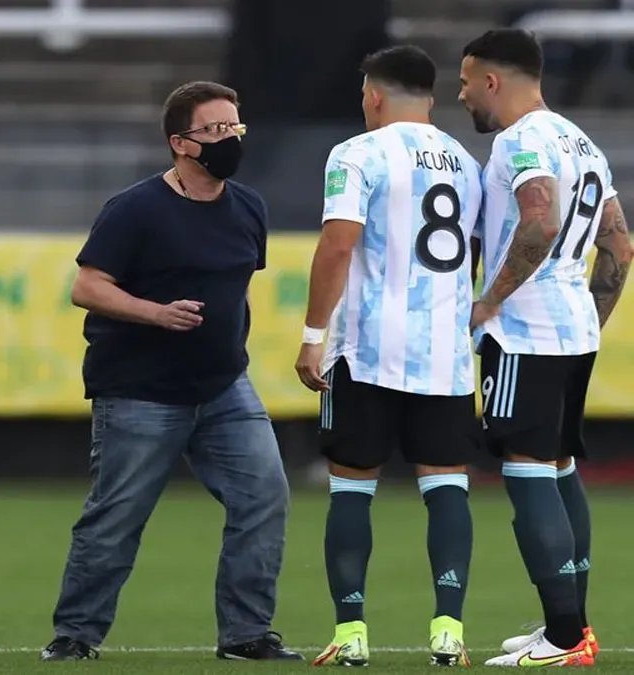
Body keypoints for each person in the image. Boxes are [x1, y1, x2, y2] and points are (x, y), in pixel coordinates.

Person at [39, 81, 301, 663]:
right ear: (180, 143)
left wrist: (229, 347)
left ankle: (246, 634)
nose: (230, 139)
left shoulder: (249, 206)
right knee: (117, 516)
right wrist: (155, 313)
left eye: (235, 127)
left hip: (225, 385)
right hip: (140, 391)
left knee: (264, 498)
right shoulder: (135, 209)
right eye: (215, 130)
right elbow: (87, 286)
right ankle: (75, 635)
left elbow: (237, 290)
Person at [295, 45, 483, 669]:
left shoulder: (357, 152)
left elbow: (337, 245)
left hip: (370, 350)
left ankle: (351, 634)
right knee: (447, 487)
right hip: (445, 356)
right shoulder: (465, 161)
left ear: (373, 95)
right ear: (430, 96)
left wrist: (312, 334)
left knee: (352, 488)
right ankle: (449, 630)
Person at [459, 28, 631, 667]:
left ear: (492, 81)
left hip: (524, 328)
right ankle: (574, 627)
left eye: (466, 82)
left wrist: (489, 300)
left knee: (528, 469)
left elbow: (539, 219)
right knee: (559, 468)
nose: (462, 94)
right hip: (572, 327)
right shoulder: (579, 140)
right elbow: (620, 247)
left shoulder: (521, 140)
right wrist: (589, 317)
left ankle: (563, 637)